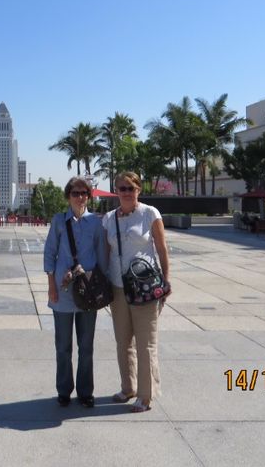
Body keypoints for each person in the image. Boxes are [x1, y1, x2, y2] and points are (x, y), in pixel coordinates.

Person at [101, 171, 171, 413]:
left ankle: (145, 395)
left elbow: (162, 249)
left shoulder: (150, 214)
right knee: (123, 342)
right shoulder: (108, 218)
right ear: (116, 191)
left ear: (139, 190)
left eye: (131, 188)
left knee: (146, 343)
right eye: (122, 188)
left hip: (144, 288)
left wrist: (166, 281)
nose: (127, 192)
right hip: (118, 287)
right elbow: (106, 253)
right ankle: (128, 387)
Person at [43, 176, 107, 408]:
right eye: (75, 193)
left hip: (88, 291)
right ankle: (63, 390)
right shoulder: (59, 221)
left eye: (84, 193)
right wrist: (51, 284)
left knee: (86, 346)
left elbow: (101, 255)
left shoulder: (96, 223)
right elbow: (50, 252)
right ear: (68, 196)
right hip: (63, 290)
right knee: (63, 346)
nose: (80, 197)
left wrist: (102, 287)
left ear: (89, 196)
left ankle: (85, 391)